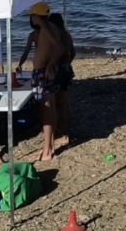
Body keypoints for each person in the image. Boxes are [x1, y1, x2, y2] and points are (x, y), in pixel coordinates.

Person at [23, 2, 64, 161]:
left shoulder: (46, 28)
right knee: (50, 109)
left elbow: (60, 48)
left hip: (42, 73)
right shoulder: (51, 27)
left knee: (46, 112)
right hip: (44, 72)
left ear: (36, 16)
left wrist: (50, 64)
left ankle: (47, 151)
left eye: (32, 15)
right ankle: (50, 146)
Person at [49, 13, 76, 148]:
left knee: (56, 102)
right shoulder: (66, 34)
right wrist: (68, 62)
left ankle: (61, 132)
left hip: (57, 69)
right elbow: (73, 52)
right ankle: (65, 130)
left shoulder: (55, 36)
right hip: (66, 69)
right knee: (64, 101)